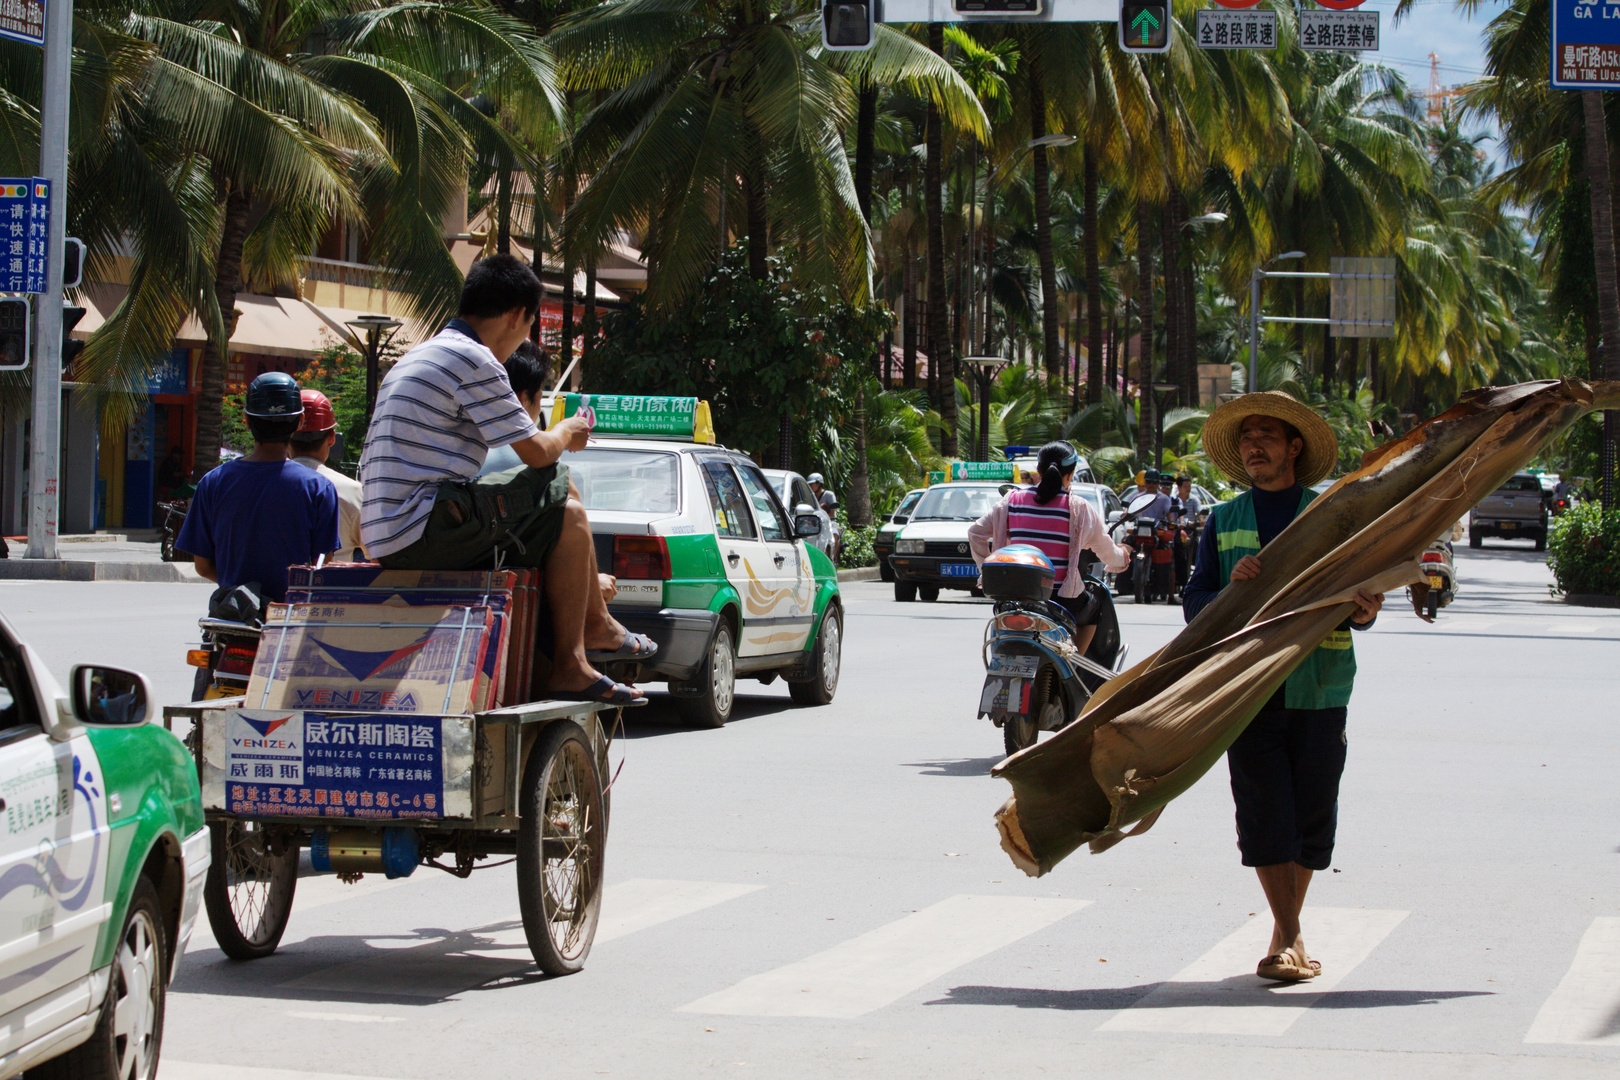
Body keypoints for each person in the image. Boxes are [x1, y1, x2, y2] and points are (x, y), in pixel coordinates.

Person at [358, 254, 651, 704]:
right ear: (517, 316)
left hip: (385, 533)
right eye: (530, 325)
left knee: (563, 509)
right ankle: (584, 644)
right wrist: (567, 431)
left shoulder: (420, 354)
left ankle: (583, 636)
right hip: (425, 526)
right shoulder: (474, 359)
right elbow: (536, 453)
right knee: (562, 493)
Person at [1183, 391, 1383, 985]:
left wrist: (1366, 610)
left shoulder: (1334, 515)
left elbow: (1360, 606)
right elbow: (1195, 604)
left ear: (1294, 447)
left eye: (1266, 435)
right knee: (1265, 810)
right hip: (1246, 689)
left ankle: (1282, 932)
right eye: (1247, 438)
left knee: (1313, 813)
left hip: (1321, 687)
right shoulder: (1223, 520)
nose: (1254, 445)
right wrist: (1230, 593)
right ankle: (1291, 936)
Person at [177, 373, 340, 695]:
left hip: (232, 622)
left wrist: (244, 591)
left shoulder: (214, 482)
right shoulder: (318, 488)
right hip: (289, 626)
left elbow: (203, 566)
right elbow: (322, 569)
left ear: (248, 421)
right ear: (299, 422)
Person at [968, 441, 1134, 655]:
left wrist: (989, 571)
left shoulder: (1012, 501)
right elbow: (1109, 554)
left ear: (1039, 470)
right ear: (1071, 473)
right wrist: (1124, 556)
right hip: (1059, 600)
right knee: (1093, 609)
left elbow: (975, 533)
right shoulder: (1080, 509)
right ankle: (1072, 664)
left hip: (1012, 597)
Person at [290, 389, 365, 561]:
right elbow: (375, 554)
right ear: (331, 438)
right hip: (333, 586)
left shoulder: (264, 484)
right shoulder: (352, 490)